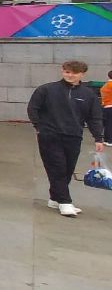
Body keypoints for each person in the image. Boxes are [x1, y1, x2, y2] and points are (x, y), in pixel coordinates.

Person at [27, 60, 105, 217]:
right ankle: (65, 201)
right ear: (62, 71)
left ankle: (55, 198)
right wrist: (39, 127)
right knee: (57, 168)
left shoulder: (88, 94)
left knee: (68, 169)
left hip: (74, 136)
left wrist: (98, 137)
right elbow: (33, 108)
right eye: (67, 72)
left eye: (74, 73)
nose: (70, 75)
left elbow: (94, 117)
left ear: (82, 74)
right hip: (50, 135)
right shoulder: (47, 89)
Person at [101, 70, 112, 141]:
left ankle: (107, 139)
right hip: (110, 106)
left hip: (106, 106)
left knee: (108, 124)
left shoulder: (105, 85)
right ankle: (109, 140)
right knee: (110, 125)